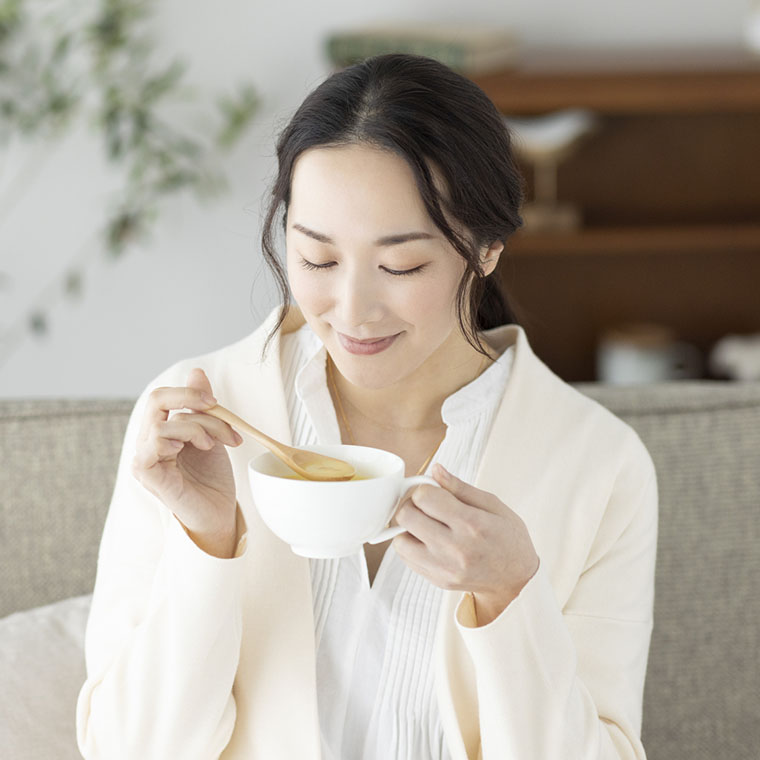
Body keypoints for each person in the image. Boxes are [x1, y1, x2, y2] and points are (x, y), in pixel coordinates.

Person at [76, 53, 658, 760]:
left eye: (401, 266)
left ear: (487, 249)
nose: (351, 311)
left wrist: (513, 599)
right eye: (318, 260)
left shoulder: (597, 463)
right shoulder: (198, 418)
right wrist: (206, 540)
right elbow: (129, 750)